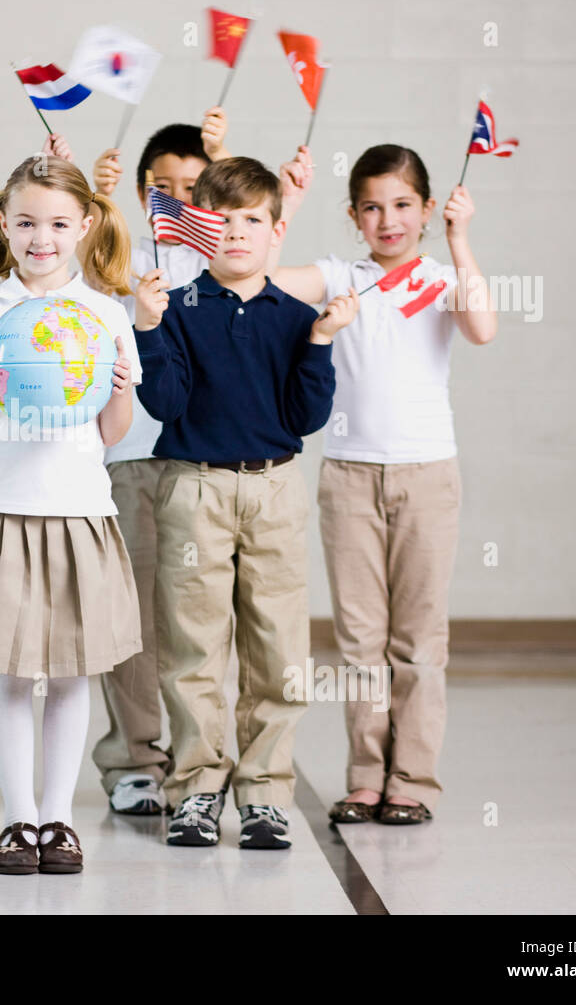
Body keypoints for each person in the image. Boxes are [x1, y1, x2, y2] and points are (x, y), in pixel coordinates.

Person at [0, 156, 141, 874]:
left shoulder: (106, 313)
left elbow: (111, 432)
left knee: (72, 673)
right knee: (9, 672)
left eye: (59, 223)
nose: (42, 238)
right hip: (3, 508)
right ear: (3, 225)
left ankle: (59, 820)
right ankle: (17, 822)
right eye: (27, 222)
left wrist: (123, 386)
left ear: (86, 226)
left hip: (78, 510)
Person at [268, 143, 495, 825]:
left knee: (420, 637)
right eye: (372, 207)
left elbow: (481, 326)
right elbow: (265, 279)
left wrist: (460, 238)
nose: (388, 219)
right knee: (360, 637)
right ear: (354, 215)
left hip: (428, 474)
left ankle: (414, 780)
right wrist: (288, 207)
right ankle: (366, 775)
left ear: (426, 209)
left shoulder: (438, 274)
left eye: (402, 205)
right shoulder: (342, 275)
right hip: (349, 475)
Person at [134, 156, 357, 848]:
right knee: (192, 643)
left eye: (251, 220)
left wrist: (319, 342)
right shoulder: (176, 310)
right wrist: (145, 328)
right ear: (197, 228)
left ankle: (264, 790)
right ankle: (198, 786)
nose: (236, 233)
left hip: (274, 488)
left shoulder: (294, 314)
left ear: (275, 229)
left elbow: (305, 413)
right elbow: (163, 401)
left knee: (279, 643)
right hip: (194, 486)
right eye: (221, 220)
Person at [87, 112, 230, 815]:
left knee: (195, 620)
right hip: (131, 459)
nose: (178, 196)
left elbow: (258, 233)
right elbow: (77, 266)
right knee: (132, 619)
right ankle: (133, 758)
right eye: (161, 185)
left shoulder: (217, 253)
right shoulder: (122, 251)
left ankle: (199, 761)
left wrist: (228, 165)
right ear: (143, 192)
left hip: (201, 463)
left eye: (193, 185)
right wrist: (97, 198)